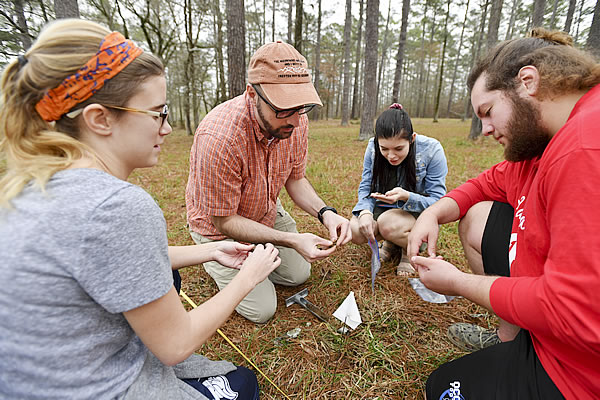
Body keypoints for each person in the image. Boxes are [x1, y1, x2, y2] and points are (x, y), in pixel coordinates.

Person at [0, 19, 282, 400]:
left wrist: (210, 250)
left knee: (172, 280)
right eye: (156, 112)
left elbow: (110, 261)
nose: (165, 128)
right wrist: (249, 277)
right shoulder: (116, 207)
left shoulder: (30, 183)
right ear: (99, 119)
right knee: (244, 385)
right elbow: (176, 344)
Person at [408, 28, 600, 399]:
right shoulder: (544, 142)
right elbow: (482, 186)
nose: (485, 129)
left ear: (527, 82)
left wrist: (457, 282)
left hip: (579, 369)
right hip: (552, 323)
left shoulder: (582, 150)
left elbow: (573, 312)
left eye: (488, 112)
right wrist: (432, 213)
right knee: (478, 216)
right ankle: (512, 336)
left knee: (441, 389)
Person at [185, 41, 352, 323]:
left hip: (264, 213)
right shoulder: (219, 138)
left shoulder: (294, 121)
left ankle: (261, 255)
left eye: (302, 107)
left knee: (298, 274)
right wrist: (290, 239)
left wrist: (327, 214)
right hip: (220, 228)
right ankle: (212, 258)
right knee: (262, 310)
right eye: (284, 108)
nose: (296, 121)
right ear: (252, 94)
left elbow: (296, 180)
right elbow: (223, 221)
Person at [350, 104, 447, 275]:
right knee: (357, 230)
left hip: (415, 213)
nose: (391, 156)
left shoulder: (432, 150)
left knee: (388, 223)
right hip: (385, 209)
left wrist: (407, 197)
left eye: (399, 149)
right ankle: (391, 242)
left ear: (412, 139)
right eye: (384, 149)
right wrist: (365, 213)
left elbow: (439, 201)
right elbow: (366, 186)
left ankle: (410, 251)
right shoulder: (372, 148)